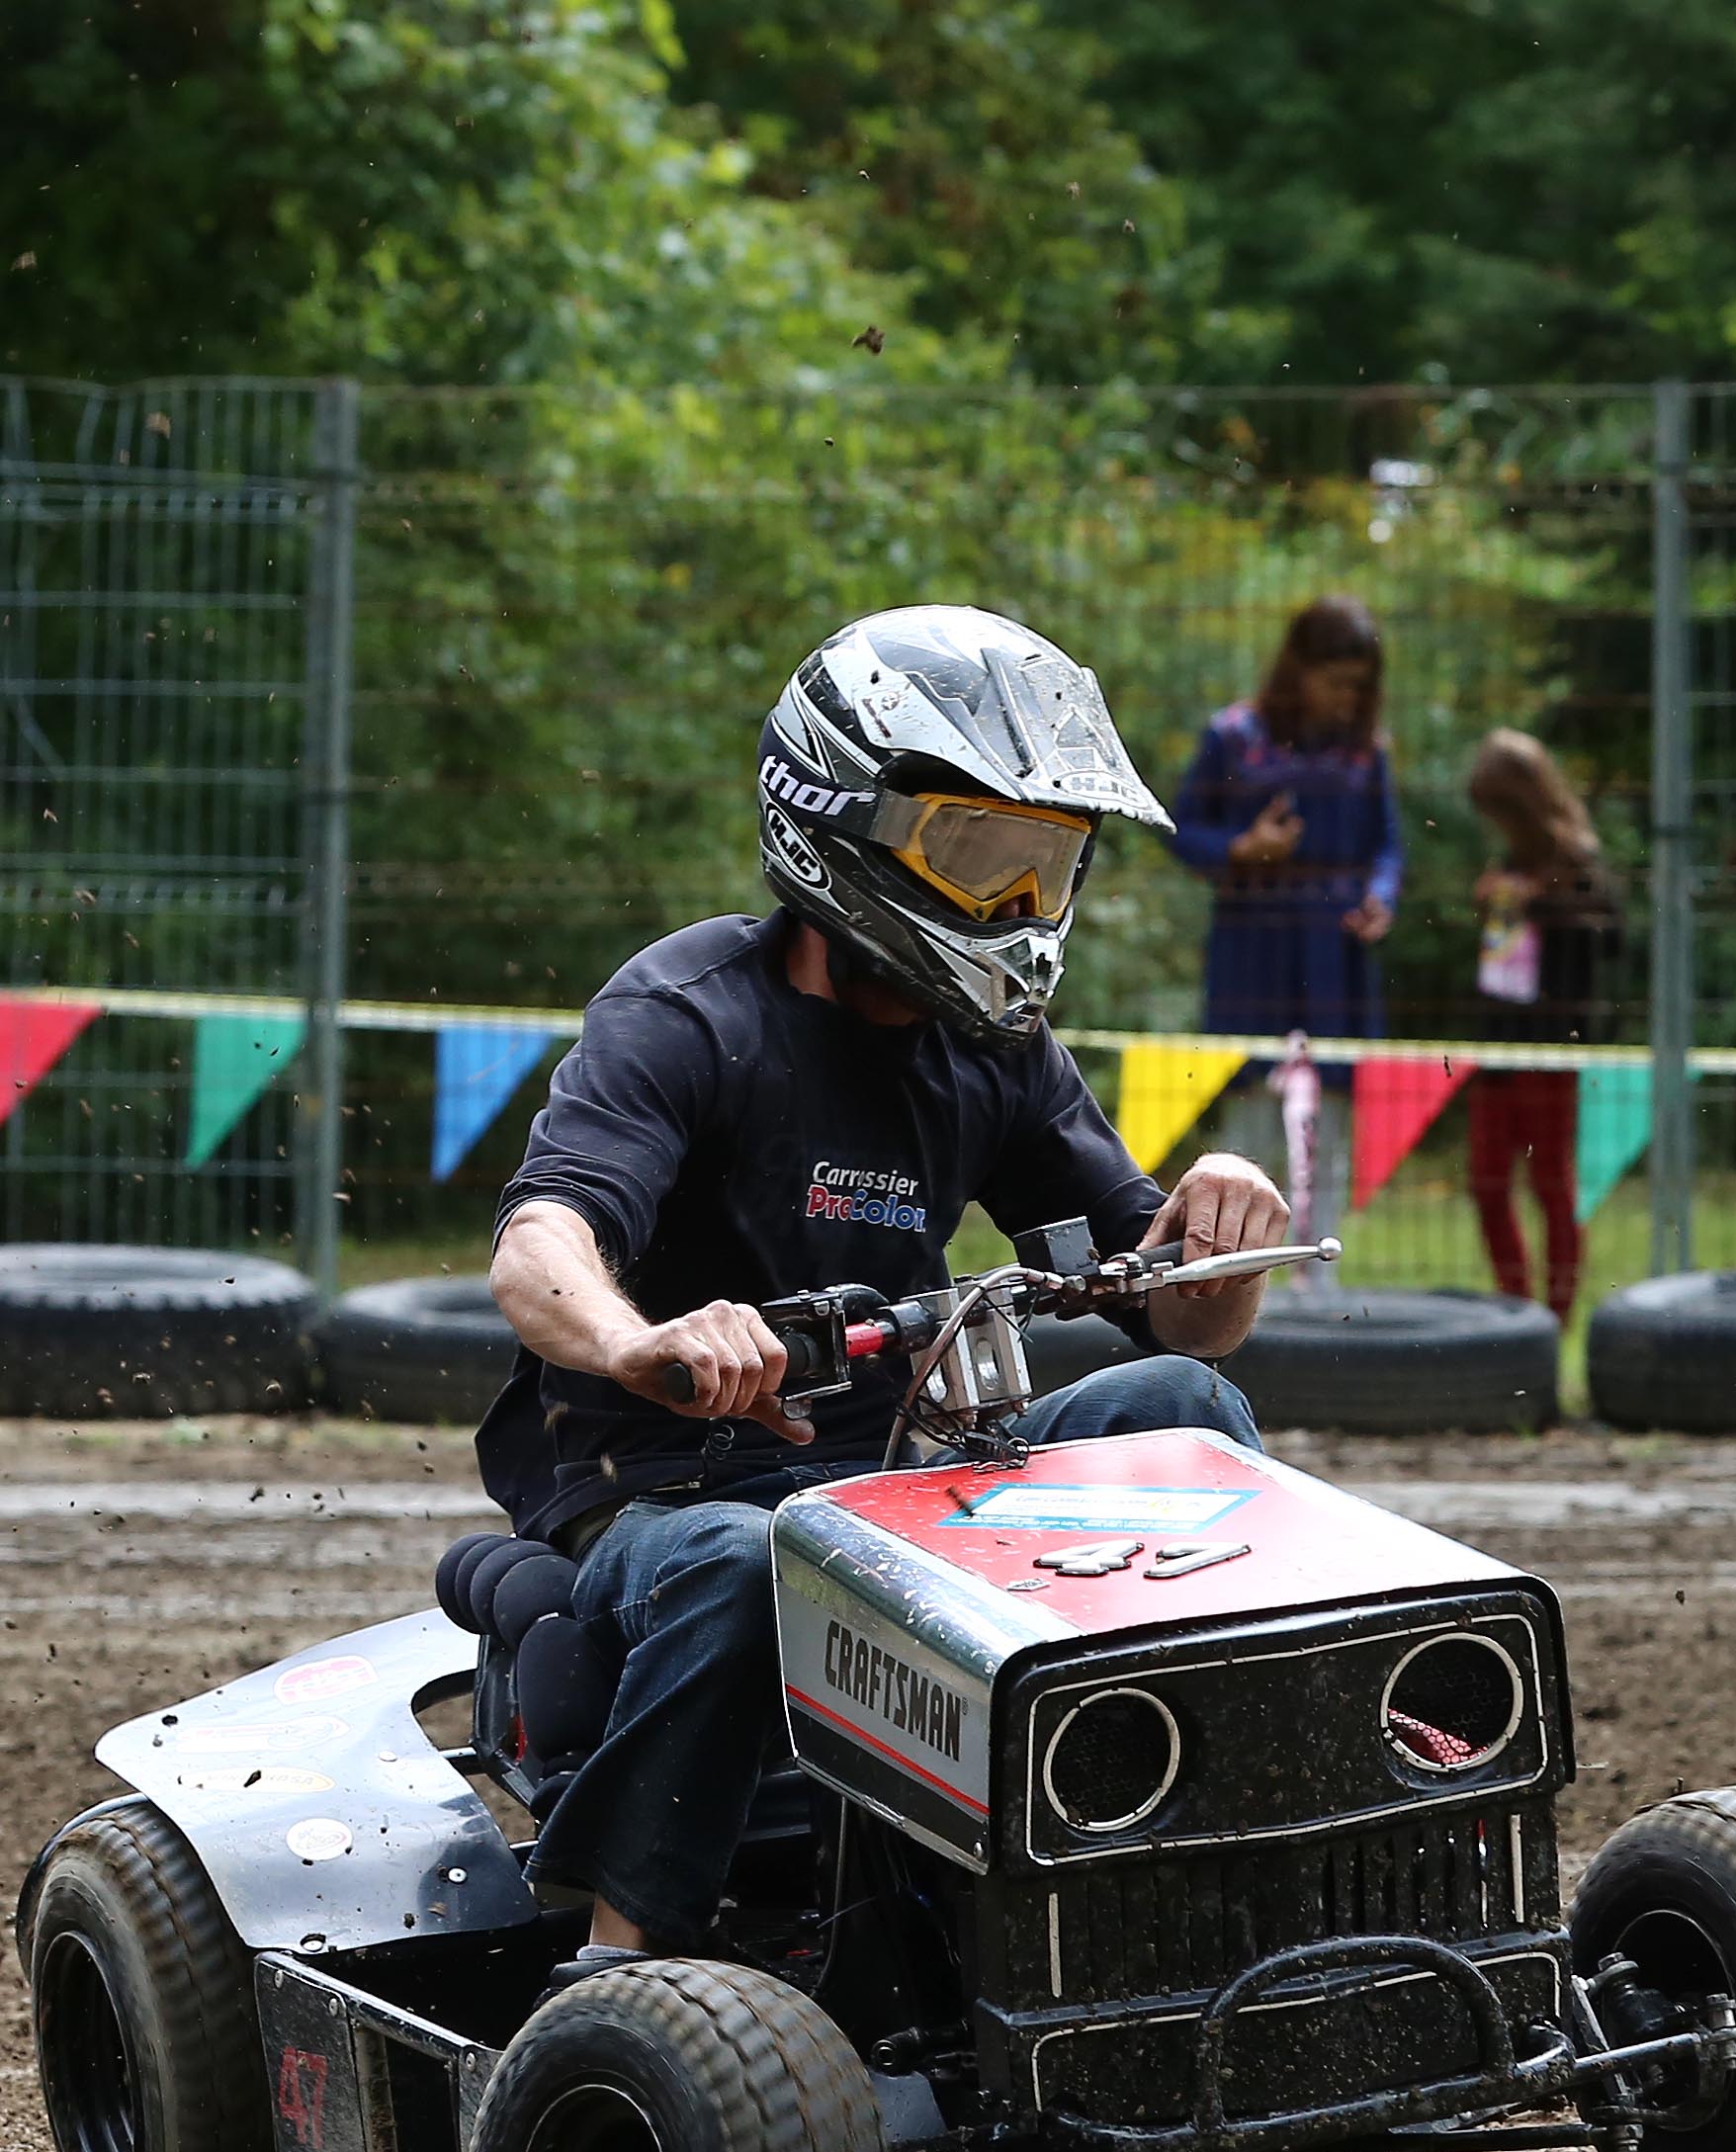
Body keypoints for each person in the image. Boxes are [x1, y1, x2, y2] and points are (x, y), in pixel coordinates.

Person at [484, 603, 1293, 1966]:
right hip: (672, 1496)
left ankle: (1212, 1844)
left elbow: (1170, 1306)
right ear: (840, 820)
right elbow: (539, 1243)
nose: (1017, 905)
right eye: (976, 855)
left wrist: (1225, 1224)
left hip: (902, 1484)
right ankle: (621, 1962)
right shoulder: (689, 1013)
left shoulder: (996, 1050)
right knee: (749, 1559)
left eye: (1043, 864)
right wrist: (641, 1342)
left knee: (1178, 1403)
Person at [1169, 597, 1403, 1225]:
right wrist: (1242, 848)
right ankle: (1233, 1264)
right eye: (1335, 682)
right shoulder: (1231, 738)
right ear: (1297, 668)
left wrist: (1381, 897)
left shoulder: (1368, 752)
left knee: (1330, 1123)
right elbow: (1181, 829)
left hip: (1337, 957)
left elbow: (1387, 846)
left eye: (1360, 687)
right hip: (1254, 949)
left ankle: (1320, 1271)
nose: (1348, 699)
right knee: (1249, 1118)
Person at [1460, 728, 1622, 1319]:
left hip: (1552, 1047)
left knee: (1551, 1183)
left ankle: (1556, 1315)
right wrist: (1494, 900)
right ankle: (1515, 1308)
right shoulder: (1511, 858)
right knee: (1486, 1183)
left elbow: (1611, 939)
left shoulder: (1580, 861)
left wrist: (1540, 903)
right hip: (1497, 1046)